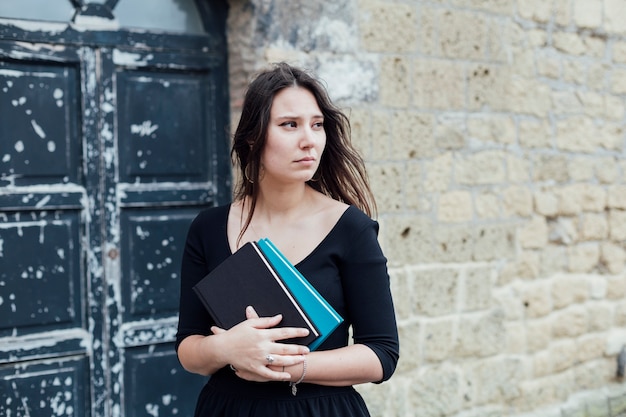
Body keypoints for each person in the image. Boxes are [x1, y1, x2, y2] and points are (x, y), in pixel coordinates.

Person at [175, 62, 399, 417]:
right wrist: (227, 349)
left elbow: (382, 354)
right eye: (289, 125)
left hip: (319, 410)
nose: (309, 139)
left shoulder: (351, 229)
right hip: (227, 409)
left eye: (317, 125)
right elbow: (188, 347)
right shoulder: (209, 227)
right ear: (253, 137)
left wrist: (289, 367)